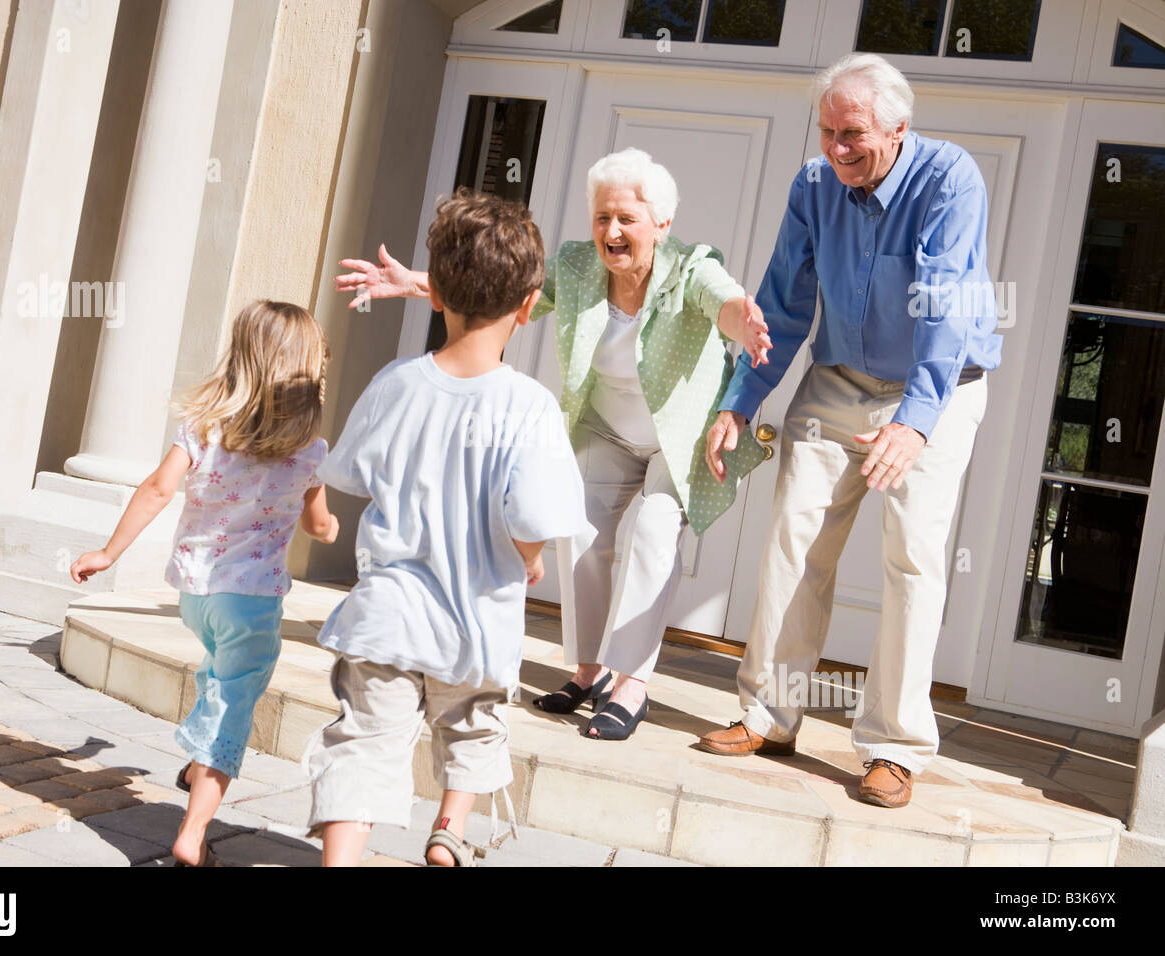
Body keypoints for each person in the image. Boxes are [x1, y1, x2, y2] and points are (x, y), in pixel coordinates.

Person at [336, 148, 771, 741]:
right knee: (583, 532)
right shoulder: (575, 265)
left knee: (652, 533)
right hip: (607, 427)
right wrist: (418, 283)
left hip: (677, 437)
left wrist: (741, 323)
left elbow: (722, 301)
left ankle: (631, 681)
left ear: (661, 225)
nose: (611, 232)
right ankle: (589, 669)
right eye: (601, 218)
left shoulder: (693, 267)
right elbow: (502, 291)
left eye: (625, 220)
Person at [699, 53, 1002, 809]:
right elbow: (785, 300)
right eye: (828, 130)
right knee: (795, 544)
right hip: (837, 381)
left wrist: (918, 422)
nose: (836, 149)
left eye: (854, 134)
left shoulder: (948, 178)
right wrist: (743, 400)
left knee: (911, 559)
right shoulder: (813, 186)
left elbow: (944, 302)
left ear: (899, 128)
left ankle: (894, 746)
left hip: (940, 384)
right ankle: (771, 714)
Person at [304, 190, 588, 866]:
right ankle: (448, 831)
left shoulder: (396, 384)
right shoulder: (531, 407)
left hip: (388, 616)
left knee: (364, 743)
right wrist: (532, 556)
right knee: (472, 728)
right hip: (478, 620)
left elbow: (348, 474)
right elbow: (532, 516)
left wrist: (317, 512)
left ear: (435, 295)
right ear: (528, 307)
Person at [70, 299, 339, 865]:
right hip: (254, 602)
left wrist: (108, 552)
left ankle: (194, 764)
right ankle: (192, 834)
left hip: (195, 594)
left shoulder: (202, 428)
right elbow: (320, 527)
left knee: (219, 679)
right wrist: (332, 524)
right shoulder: (310, 451)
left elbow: (155, 490)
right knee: (232, 709)